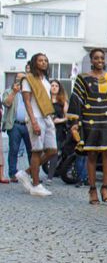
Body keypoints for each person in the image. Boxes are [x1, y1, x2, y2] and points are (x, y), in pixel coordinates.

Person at [67, 48, 107, 204]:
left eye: (102, 58)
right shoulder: (82, 78)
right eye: (96, 58)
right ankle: (92, 189)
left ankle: (105, 187)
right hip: (89, 121)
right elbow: (76, 100)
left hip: (106, 121)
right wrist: (75, 123)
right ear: (91, 61)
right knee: (91, 155)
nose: (100, 61)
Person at [18, 53, 57, 196]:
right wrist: (33, 121)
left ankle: (26, 173)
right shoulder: (28, 79)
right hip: (36, 118)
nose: (44, 63)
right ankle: (35, 185)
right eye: (40, 60)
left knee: (52, 150)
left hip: (47, 117)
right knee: (37, 151)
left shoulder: (45, 80)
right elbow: (27, 102)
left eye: (46, 60)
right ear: (35, 63)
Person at [2, 73, 33, 182]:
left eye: (22, 79)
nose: (20, 81)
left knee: (31, 150)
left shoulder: (30, 93)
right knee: (14, 150)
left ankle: (33, 174)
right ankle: (12, 173)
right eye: (18, 79)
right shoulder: (8, 91)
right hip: (15, 124)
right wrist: (14, 92)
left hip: (28, 124)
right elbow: (6, 103)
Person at [46, 80, 69, 184]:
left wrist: (59, 120)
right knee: (42, 153)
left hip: (58, 131)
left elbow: (67, 117)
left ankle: (49, 177)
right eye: (52, 85)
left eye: (56, 86)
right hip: (46, 129)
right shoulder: (45, 100)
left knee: (54, 153)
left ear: (59, 88)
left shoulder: (63, 102)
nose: (54, 87)